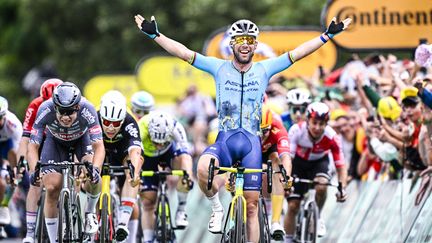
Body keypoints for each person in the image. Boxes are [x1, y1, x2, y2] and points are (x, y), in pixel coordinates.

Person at [134, 14, 351, 242]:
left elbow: (299, 53)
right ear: (232, 44)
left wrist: (327, 36)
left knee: (252, 206)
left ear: (255, 45)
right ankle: (217, 208)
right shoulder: (218, 67)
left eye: (249, 40)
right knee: (203, 169)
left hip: (251, 145)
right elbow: (184, 52)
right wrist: (156, 35)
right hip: (225, 141)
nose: (245, 44)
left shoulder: (265, 69)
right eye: (240, 40)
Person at [27, 82, 105, 242]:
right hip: (55, 142)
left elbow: (99, 147)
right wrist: (35, 169)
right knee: (51, 187)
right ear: (55, 107)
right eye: (62, 111)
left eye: (70, 112)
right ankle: (54, 238)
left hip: (81, 141)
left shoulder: (88, 109)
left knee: (92, 174)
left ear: (77, 107)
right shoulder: (45, 109)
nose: (65, 117)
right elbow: (33, 146)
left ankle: (90, 213)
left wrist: (96, 169)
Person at [285, 102, 347, 242]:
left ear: (326, 124)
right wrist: (286, 180)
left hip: (319, 163)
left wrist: (342, 187)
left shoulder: (331, 137)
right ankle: (287, 240)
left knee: (322, 185)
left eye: (321, 124)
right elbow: (288, 159)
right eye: (314, 123)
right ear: (307, 120)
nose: (317, 128)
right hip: (297, 164)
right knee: (293, 205)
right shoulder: (296, 130)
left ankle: (318, 217)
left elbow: (341, 166)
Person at [138, 111, 194, 243]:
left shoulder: (176, 127)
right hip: (147, 157)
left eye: (163, 142)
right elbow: (134, 156)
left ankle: (181, 210)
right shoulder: (141, 128)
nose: (159, 146)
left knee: (185, 173)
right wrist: (136, 175)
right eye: (156, 142)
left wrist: (187, 175)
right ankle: (147, 239)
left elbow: (186, 155)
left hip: (169, 153)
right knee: (148, 202)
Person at [19, 78, 63, 243]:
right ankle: (30, 232)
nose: (49, 106)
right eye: (45, 102)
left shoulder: (70, 105)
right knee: (34, 182)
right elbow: (26, 137)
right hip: (41, 139)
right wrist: (23, 162)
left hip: (62, 139)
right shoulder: (35, 105)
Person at [98, 90, 143, 242]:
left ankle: (123, 223)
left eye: (116, 123)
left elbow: (135, 152)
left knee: (133, 171)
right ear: (101, 117)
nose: (110, 127)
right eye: (106, 122)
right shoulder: (94, 117)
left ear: (122, 120)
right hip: (100, 150)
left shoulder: (130, 122)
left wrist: (134, 174)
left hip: (121, 152)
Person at [259, 104, 292, 240]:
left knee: (276, 166)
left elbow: (286, 157)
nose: (261, 136)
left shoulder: (278, 127)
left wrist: (286, 177)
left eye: (265, 131)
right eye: (258, 131)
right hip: (249, 150)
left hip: (269, 152)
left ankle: (275, 221)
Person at [0, 96, 22, 226]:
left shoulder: (12, 123)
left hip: (9, 146)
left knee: (15, 173)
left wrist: (17, 172)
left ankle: (5, 206)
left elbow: (21, 150)